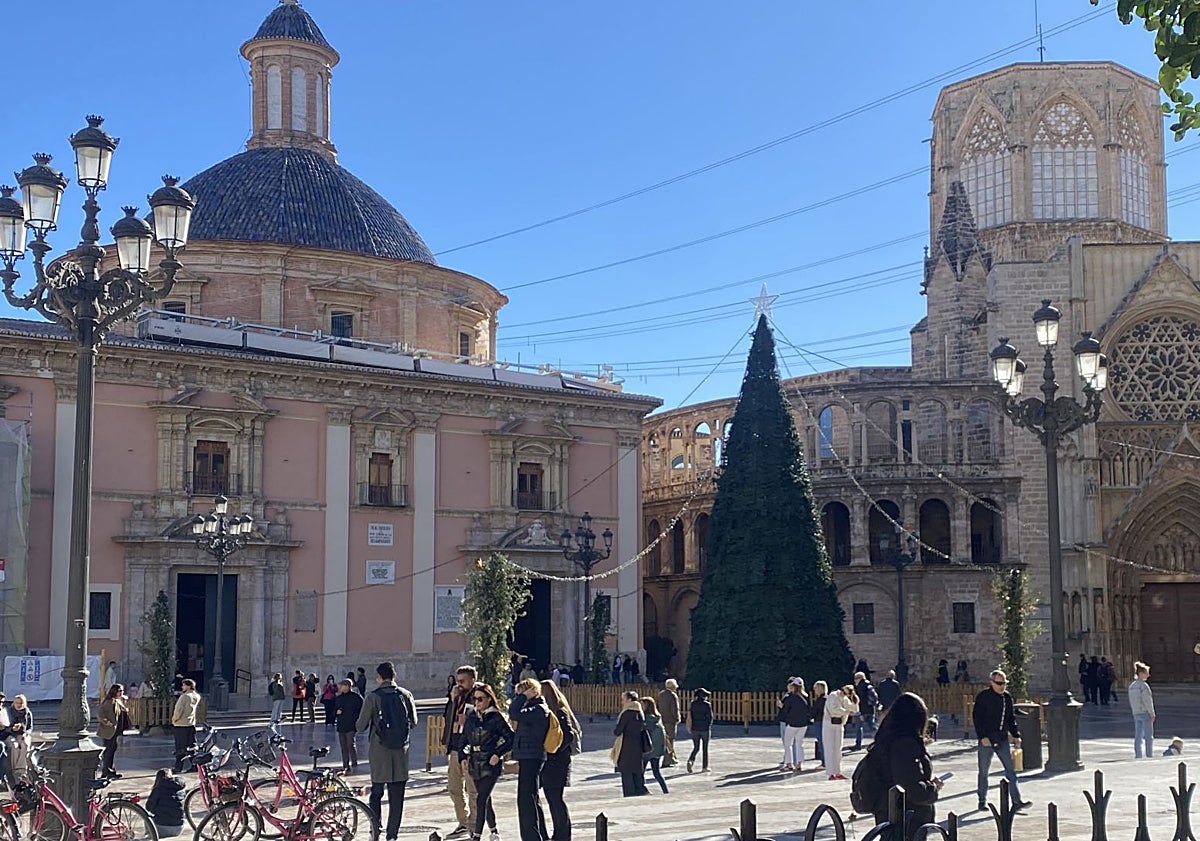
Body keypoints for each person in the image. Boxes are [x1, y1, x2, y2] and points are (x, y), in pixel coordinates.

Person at [867, 692, 943, 841]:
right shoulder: (905, 745)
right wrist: (932, 788)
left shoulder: (886, 740)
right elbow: (911, 786)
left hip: (887, 811)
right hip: (907, 817)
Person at [357, 662, 418, 841]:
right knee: (397, 798)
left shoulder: (373, 697)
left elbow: (360, 726)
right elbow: (413, 722)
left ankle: (375, 830)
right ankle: (392, 836)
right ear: (394, 675)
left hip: (379, 752)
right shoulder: (406, 695)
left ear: (379, 677)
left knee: (376, 793)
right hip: (400, 752)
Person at [460, 683, 512, 841]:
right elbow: (463, 740)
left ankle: (477, 835)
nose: (477, 702)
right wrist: (463, 756)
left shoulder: (496, 717)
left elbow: (511, 737)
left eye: (480, 699)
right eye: (475, 699)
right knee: (485, 799)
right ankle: (494, 830)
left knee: (480, 798)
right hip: (475, 762)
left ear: (489, 699)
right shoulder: (472, 717)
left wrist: (498, 753)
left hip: (490, 762)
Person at [973, 669, 1028, 811]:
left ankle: (1017, 801)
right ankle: (982, 801)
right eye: (999, 683)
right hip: (987, 739)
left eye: (1004, 683)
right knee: (984, 772)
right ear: (992, 682)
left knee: (1011, 771)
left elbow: (1011, 719)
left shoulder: (1007, 698)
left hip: (1002, 739)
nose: (1002, 686)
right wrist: (982, 737)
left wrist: (1016, 735)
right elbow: (977, 719)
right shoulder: (983, 697)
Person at [508, 678, 550, 841]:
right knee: (530, 796)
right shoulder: (533, 708)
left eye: (521, 693)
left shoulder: (538, 709)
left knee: (526, 798)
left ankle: (531, 836)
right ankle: (539, 834)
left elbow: (514, 712)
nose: (518, 696)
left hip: (532, 756)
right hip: (527, 755)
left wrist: (523, 697)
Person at [442, 666, 480, 838]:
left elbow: (488, 719)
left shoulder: (480, 695)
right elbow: (447, 717)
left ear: (472, 680)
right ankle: (463, 822)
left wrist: (470, 720)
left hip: (472, 748)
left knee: (473, 789)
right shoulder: (457, 697)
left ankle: (474, 825)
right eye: (457, 681)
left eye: (462, 681)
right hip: (456, 746)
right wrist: (452, 700)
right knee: (454, 787)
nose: (459, 684)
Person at [542, 680, 582, 839]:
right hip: (552, 760)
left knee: (556, 798)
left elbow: (569, 735)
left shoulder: (559, 711)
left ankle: (563, 834)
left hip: (557, 761)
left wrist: (555, 749)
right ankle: (559, 832)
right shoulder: (551, 711)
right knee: (552, 798)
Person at [613, 690, 647, 796]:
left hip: (626, 745)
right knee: (636, 772)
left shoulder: (627, 713)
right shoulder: (640, 713)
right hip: (637, 745)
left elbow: (618, 731)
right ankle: (639, 792)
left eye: (623, 699)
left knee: (626, 773)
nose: (622, 702)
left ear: (629, 700)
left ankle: (629, 795)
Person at [824, 684, 858, 781]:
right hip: (829, 723)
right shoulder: (833, 695)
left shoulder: (845, 698)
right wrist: (847, 712)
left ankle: (837, 772)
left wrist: (854, 700)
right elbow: (834, 710)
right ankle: (831, 773)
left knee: (838, 749)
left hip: (839, 724)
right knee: (829, 748)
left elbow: (854, 709)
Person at [777, 677, 810, 772]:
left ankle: (789, 764)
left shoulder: (791, 697)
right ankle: (799, 764)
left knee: (788, 744)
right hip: (803, 724)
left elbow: (786, 710)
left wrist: (781, 706)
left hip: (792, 724)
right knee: (799, 744)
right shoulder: (805, 697)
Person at [97, 683, 128, 778]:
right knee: (108, 751)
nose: (121, 693)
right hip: (108, 731)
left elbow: (123, 710)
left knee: (112, 750)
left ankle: (110, 769)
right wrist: (107, 722)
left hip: (115, 731)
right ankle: (106, 770)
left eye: (122, 691)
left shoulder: (118, 701)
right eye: (120, 691)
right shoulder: (109, 702)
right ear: (115, 692)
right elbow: (100, 714)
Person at [640, 695, 669, 794]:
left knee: (641, 772)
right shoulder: (658, 718)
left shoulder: (645, 719)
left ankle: (643, 790)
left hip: (646, 750)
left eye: (642, 704)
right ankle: (665, 790)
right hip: (657, 750)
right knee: (656, 772)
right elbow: (663, 735)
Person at [171, 679, 201, 774]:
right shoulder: (197, 696)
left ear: (188, 686)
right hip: (191, 724)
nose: (182, 687)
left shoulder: (184, 697)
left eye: (183, 685)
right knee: (191, 746)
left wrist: (174, 719)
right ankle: (195, 765)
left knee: (180, 747)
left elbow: (178, 710)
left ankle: (178, 767)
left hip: (181, 724)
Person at [146, 768, 187, 837]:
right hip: (179, 827)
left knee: (146, 814)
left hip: (162, 827)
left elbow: (149, 807)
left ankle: (149, 835)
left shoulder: (158, 789)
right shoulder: (180, 788)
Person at [334, 679, 363, 773]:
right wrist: (336, 712)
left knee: (350, 744)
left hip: (351, 725)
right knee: (343, 746)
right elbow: (333, 711)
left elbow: (361, 710)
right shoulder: (339, 698)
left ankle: (354, 762)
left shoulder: (356, 697)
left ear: (347, 686)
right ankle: (345, 764)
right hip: (341, 725)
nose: (340, 687)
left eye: (342, 685)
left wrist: (358, 721)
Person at [1129, 661, 1156, 759]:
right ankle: (1149, 755)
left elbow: (1132, 701)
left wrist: (1134, 711)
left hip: (1136, 713)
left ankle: (1138, 755)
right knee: (1149, 736)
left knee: (1138, 736)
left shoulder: (1132, 686)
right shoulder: (1144, 686)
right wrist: (1152, 713)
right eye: (1147, 673)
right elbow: (1147, 701)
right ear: (1141, 673)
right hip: (1145, 712)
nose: (1148, 675)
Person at [685, 687, 712, 774]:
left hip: (695, 728)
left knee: (696, 747)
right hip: (704, 729)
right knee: (705, 748)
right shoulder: (707, 704)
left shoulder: (692, 704)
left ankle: (691, 760)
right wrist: (708, 726)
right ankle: (704, 767)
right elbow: (710, 717)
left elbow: (690, 715)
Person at [5, 695, 31, 784]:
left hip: (22, 733)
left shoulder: (27, 712)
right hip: (10, 733)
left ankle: (21, 769)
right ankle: (14, 769)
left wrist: (25, 733)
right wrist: (12, 729)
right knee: (14, 746)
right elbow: (5, 727)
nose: (18, 705)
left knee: (25, 744)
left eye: (20, 703)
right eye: (17, 703)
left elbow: (30, 727)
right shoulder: (9, 711)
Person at [658, 679, 681, 767]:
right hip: (670, 721)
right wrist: (677, 718)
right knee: (670, 739)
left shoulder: (661, 694)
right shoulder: (672, 696)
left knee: (666, 739)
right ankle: (667, 760)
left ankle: (672, 758)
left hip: (662, 720)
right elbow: (674, 709)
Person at [853, 671, 879, 750]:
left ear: (859, 679)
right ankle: (879, 740)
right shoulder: (869, 686)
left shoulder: (860, 687)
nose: (854, 681)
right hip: (870, 710)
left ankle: (858, 744)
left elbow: (859, 701)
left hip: (861, 711)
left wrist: (859, 713)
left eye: (855, 679)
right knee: (872, 727)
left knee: (859, 728)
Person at [810, 681, 828, 768]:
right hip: (825, 721)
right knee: (825, 742)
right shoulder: (827, 698)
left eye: (816, 688)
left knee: (821, 742)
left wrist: (809, 716)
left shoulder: (820, 700)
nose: (814, 690)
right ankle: (826, 761)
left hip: (819, 721)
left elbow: (814, 711)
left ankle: (824, 762)